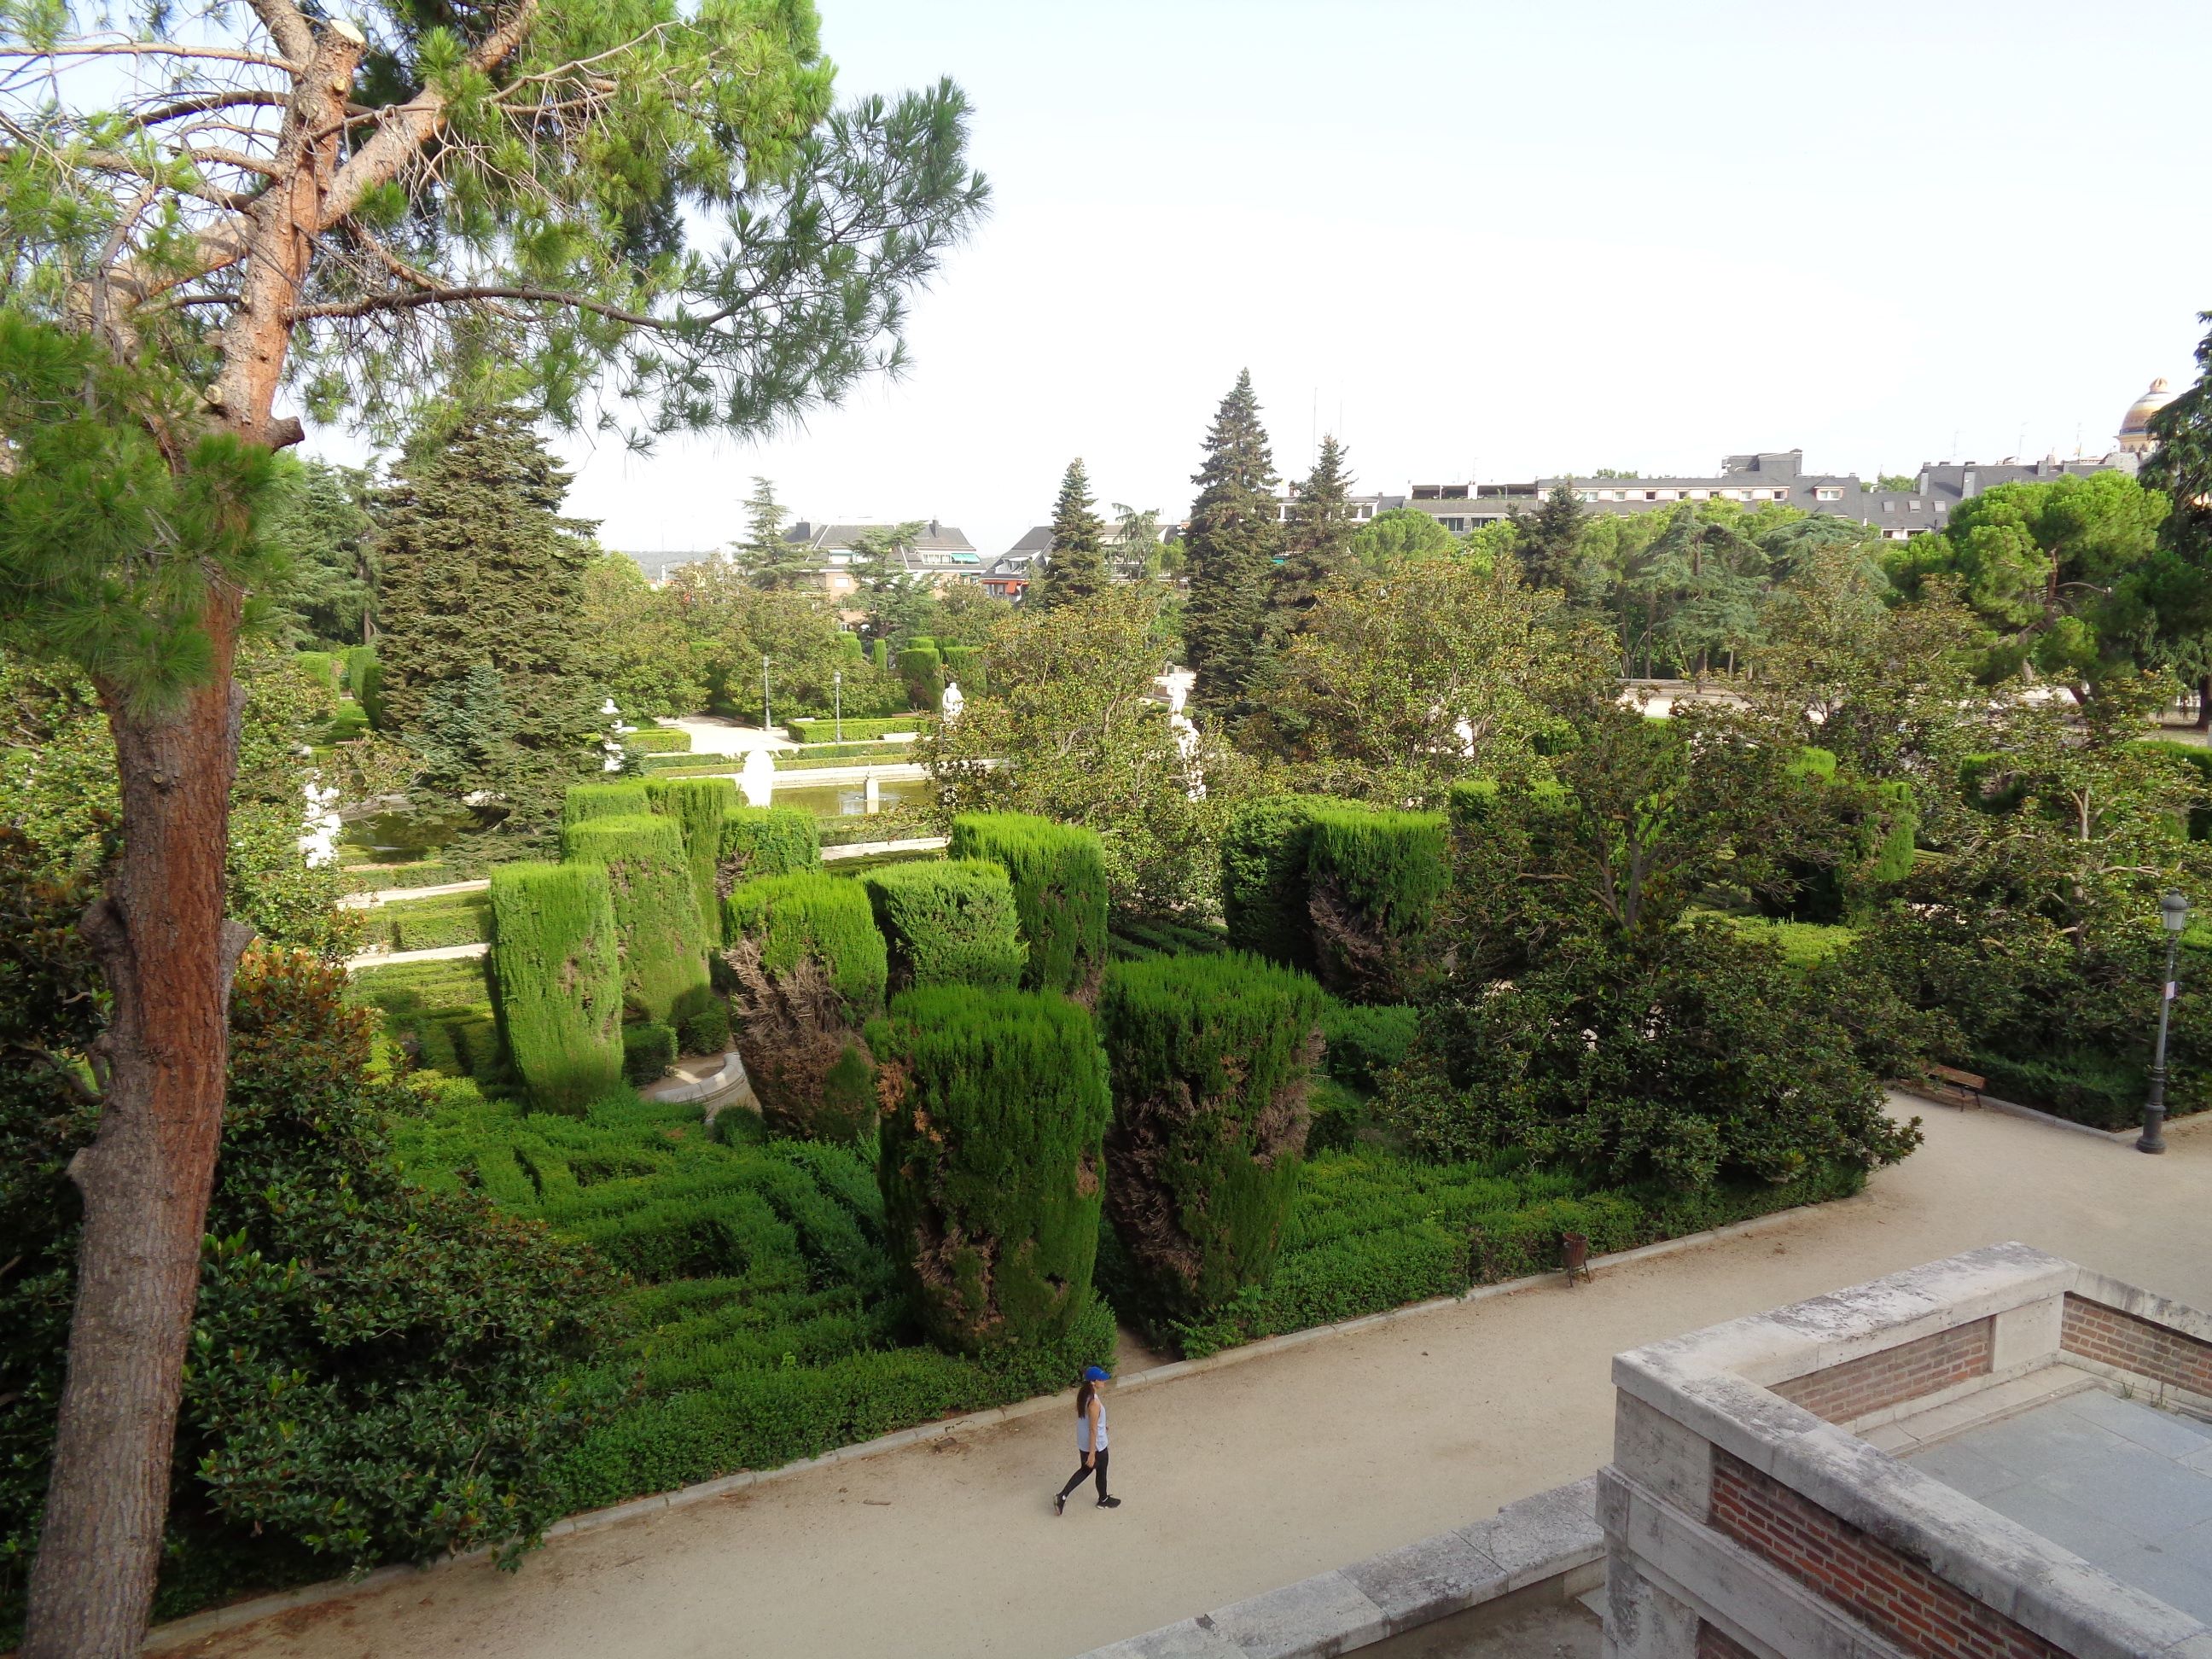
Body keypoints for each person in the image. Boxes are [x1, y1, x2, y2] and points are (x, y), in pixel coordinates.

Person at [1054, 1365, 1121, 1514]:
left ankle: (1062, 1497)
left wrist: (1103, 1426)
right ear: (1093, 1382)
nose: (1104, 1381)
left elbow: (1090, 1422)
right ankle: (1103, 1500)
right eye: (1101, 1379)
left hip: (1084, 1442)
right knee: (1101, 1471)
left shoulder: (1084, 1396)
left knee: (1085, 1470)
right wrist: (1092, 1453)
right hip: (1097, 1445)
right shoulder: (1094, 1403)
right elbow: (1092, 1428)